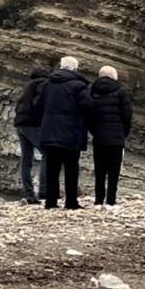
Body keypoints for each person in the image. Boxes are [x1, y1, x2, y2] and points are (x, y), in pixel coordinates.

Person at [34, 56, 91, 210]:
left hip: (50, 131)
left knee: (52, 168)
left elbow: (38, 105)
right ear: (75, 69)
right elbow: (88, 106)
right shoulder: (79, 86)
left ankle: (51, 201)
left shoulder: (47, 84)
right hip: (71, 133)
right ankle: (71, 202)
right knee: (71, 168)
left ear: (61, 67)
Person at [86, 66, 133, 209]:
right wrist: (124, 132)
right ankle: (111, 200)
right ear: (114, 76)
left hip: (99, 137)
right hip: (116, 137)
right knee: (114, 170)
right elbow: (127, 113)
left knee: (99, 170)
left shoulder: (91, 90)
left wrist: (94, 131)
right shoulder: (120, 90)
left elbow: (88, 113)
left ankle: (98, 200)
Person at [14, 67, 49, 204]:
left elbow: (19, 105)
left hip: (20, 123)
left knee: (26, 159)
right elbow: (38, 104)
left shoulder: (27, 86)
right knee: (47, 153)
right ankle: (44, 192)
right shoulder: (42, 84)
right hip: (32, 123)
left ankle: (29, 194)